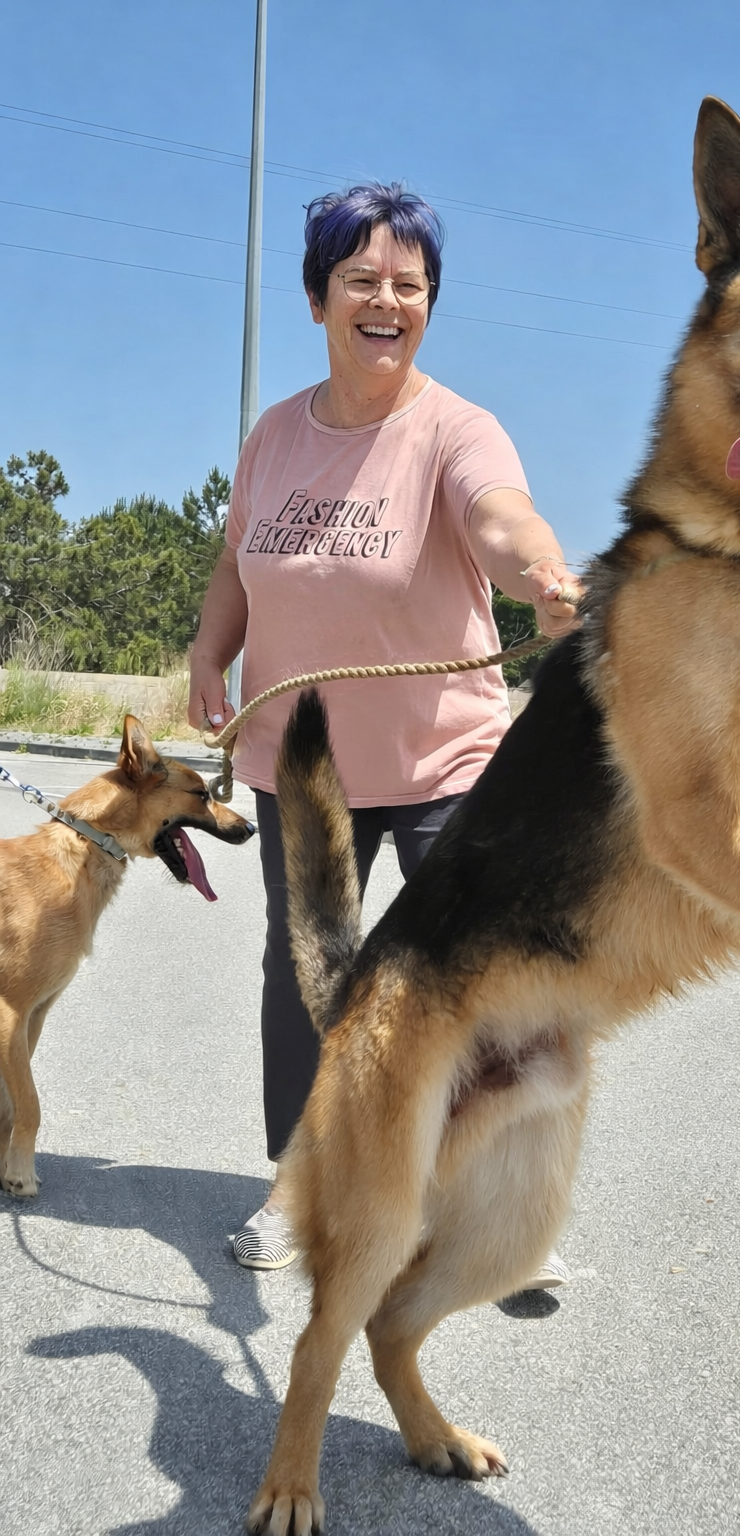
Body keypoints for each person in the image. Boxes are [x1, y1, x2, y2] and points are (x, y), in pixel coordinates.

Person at [188, 183, 582, 1282]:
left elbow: (499, 516)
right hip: (302, 764)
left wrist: (543, 574)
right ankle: (303, 1184)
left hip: (446, 761)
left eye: (409, 285)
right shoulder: (275, 436)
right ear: (317, 297)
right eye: (360, 279)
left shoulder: (456, 429)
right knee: (310, 976)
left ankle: (490, 1206)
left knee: (481, 977)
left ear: (429, 305)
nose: (386, 301)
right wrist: (208, 653)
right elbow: (237, 563)